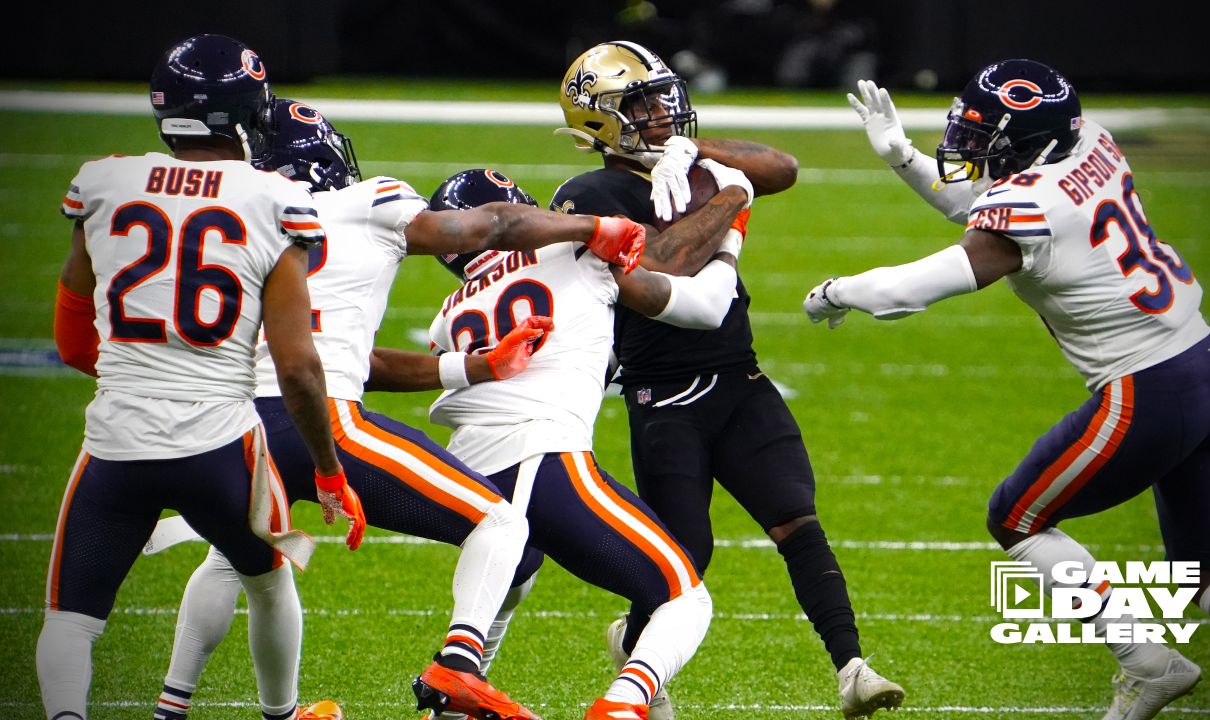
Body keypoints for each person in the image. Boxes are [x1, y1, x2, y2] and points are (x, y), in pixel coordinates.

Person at [143, 98, 648, 720]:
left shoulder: (242, 218)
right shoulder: (371, 202)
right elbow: (483, 227)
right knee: (502, 523)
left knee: (238, 559)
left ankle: (173, 707)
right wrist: (589, 227)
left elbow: (338, 352)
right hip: (319, 419)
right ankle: (459, 665)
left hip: (233, 427)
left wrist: (477, 366)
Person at [809, 59, 1210, 718]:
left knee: (1017, 517)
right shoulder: (1091, 141)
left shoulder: (1027, 206)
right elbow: (979, 201)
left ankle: (1146, 661)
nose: (969, 146)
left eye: (985, 136)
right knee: (1205, 569)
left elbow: (906, 291)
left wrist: (836, 291)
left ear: (1026, 141)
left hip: (1149, 392)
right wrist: (904, 157)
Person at [551, 40, 904, 719]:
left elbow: (784, 167)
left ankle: (852, 667)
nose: (660, 113)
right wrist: (729, 197)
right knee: (684, 560)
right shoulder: (587, 194)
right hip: (663, 393)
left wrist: (692, 151)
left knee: (796, 516)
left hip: (737, 374)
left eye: (662, 99)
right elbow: (665, 263)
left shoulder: (684, 159)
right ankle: (637, 646)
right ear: (598, 120)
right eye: (640, 104)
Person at [40, 34, 365, 720]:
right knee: (272, 579)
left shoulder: (104, 181)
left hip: (117, 441)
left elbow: (72, 340)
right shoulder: (274, 198)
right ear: (246, 113)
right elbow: (299, 367)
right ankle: (282, 715)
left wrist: (141, 376)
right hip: (221, 447)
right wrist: (328, 469)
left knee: (72, 618)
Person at [424, 165, 748, 720]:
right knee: (684, 594)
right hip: (541, 459)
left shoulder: (445, 316)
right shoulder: (575, 254)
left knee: (511, 580)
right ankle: (624, 704)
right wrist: (736, 209)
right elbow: (700, 299)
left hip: (467, 477)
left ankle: (455, 693)